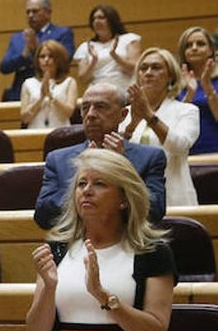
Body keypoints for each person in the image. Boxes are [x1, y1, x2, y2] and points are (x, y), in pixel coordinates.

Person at [25, 149, 174, 331]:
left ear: (124, 199)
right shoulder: (57, 249)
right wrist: (49, 288)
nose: (87, 190)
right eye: (82, 183)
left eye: (100, 184)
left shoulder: (152, 251)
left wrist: (102, 296)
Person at [35, 83, 167, 230]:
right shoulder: (58, 159)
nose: (90, 114)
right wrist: (82, 180)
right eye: (85, 108)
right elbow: (43, 216)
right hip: (74, 245)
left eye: (101, 107)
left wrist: (120, 168)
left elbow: (154, 212)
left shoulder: (150, 157)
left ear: (122, 115)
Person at [120, 47, 200, 207]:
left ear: (170, 75)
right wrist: (132, 126)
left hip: (174, 197)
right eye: (143, 68)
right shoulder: (125, 112)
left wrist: (149, 116)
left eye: (156, 67)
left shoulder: (186, 110)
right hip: (133, 200)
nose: (148, 72)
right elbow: (114, 155)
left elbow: (179, 146)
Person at [0, 0, 76, 101]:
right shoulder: (18, 38)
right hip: (21, 92)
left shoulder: (62, 33)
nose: (30, 15)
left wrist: (37, 49)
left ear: (48, 13)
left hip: (54, 90)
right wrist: (24, 55)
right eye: (28, 12)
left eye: (35, 11)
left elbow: (66, 59)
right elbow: (4, 67)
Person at [73, 4, 141, 94]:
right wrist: (94, 60)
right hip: (96, 92)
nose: (96, 21)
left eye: (101, 18)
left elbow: (133, 70)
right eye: (94, 19)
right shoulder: (85, 46)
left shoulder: (129, 39)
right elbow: (83, 79)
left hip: (124, 91)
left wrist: (114, 55)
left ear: (112, 20)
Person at [177, 26, 218, 155]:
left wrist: (207, 87)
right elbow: (175, 121)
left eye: (200, 44)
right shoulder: (175, 83)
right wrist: (190, 94)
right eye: (188, 45)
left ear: (211, 50)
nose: (194, 48)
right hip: (184, 152)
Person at [19, 41, 78, 129]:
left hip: (61, 133)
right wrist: (41, 98)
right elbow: (25, 118)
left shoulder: (69, 82)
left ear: (59, 59)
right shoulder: (28, 83)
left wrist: (51, 96)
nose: (46, 60)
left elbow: (68, 113)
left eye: (51, 56)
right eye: (42, 56)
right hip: (35, 132)